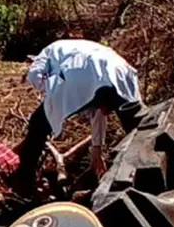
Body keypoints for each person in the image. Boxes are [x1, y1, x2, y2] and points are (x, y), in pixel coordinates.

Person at [11, 39, 149, 197]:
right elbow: (98, 108)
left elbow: (35, 76)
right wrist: (97, 150)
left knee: (38, 124)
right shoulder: (70, 47)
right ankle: (147, 177)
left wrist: (49, 93)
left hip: (84, 73)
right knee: (139, 130)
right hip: (120, 70)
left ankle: (24, 183)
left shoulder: (45, 54)